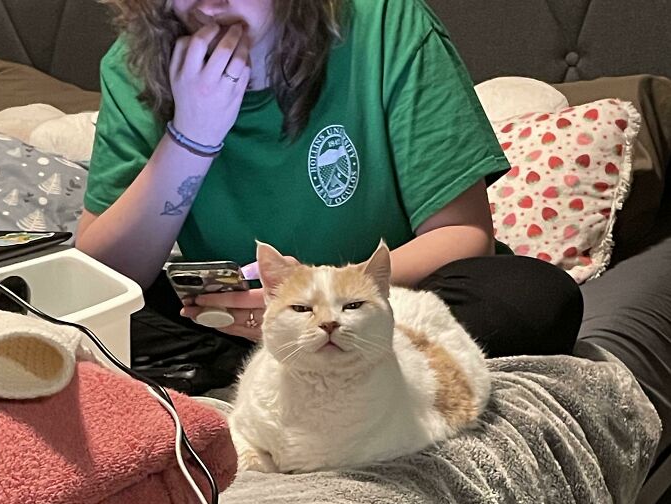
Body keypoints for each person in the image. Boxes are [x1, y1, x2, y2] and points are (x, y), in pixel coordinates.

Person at [77, 0, 583, 391]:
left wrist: (319, 301)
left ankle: (293, 357)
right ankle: (275, 358)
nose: (204, 5)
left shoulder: (386, 22)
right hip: (236, 315)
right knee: (69, 323)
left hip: (380, 302)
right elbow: (99, 279)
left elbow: (462, 234)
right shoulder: (132, 62)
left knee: (536, 297)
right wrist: (192, 137)